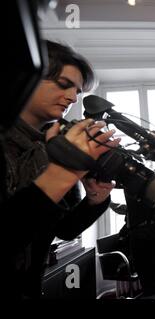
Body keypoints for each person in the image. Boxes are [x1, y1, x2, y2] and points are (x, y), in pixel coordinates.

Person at [3, 40, 120, 298]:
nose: (73, 97)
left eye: (77, 91)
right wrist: (63, 173)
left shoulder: (54, 143)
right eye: (64, 84)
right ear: (25, 77)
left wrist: (94, 200)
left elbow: (62, 229)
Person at [111, 187, 155, 296]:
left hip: (143, 235)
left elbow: (135, 211)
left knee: (148, 275)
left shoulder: (135, 182)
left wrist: (107, 201)